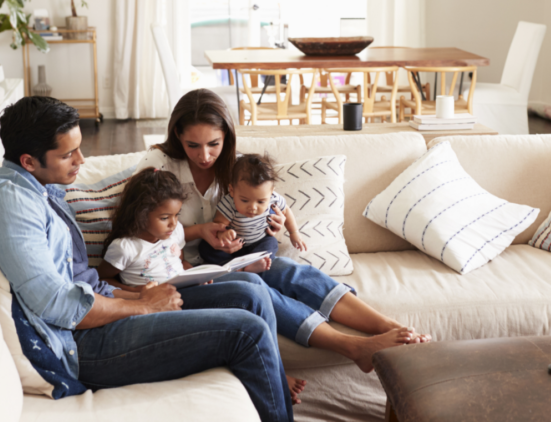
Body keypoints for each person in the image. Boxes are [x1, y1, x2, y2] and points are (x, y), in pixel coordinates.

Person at [0, 96, 293, 421]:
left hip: (100, 310)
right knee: (246, 332)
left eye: (78, 148)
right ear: (29, 161)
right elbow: (57, 304)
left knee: (249, 288)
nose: (81, 160)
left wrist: (139, 293)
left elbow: (81, 280)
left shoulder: (39, 188)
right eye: (68, 154)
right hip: (80, 344)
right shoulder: (9, 205)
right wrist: (144, 305)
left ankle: (273, 382)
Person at [128, 89, 431, 373]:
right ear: (177, 134)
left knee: (289, 270)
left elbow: (267, 207)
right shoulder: (159, 164)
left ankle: (388, 326)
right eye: (193, 145)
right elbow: (139, 226)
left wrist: (271, 227)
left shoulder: (236, 169)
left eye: (214, 144)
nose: (205, 156)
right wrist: (200, 231)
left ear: (227, 137)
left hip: (233, 258)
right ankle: (354, 347)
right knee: (258, 289)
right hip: (185, 271)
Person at [95, 167, 307, 402]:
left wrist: (191, 272)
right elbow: (102, 279)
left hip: (187, 289)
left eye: (176, 216)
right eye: (165, 218)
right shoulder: (125, 247)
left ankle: (274, 370)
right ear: (140, 214)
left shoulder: (173, 232)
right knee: (246, 306)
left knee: (253, 284)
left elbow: (179, 260)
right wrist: (136, 293)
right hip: (159, 305)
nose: (173, 224)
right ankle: (273, 376)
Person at [198, 153, 305, 270]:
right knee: (205, 247)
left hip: (258, 242)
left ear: (271, 192)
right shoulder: (229, 203)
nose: (253, 207)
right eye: (244, 200)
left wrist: (294, 232)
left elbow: (286, 211)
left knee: (271, 243)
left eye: (261, 202)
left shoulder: (274, 199)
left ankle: (254, 263)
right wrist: (223, 234)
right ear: (232, 190)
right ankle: (233, 266)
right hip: (232, 247)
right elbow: (218, 224)